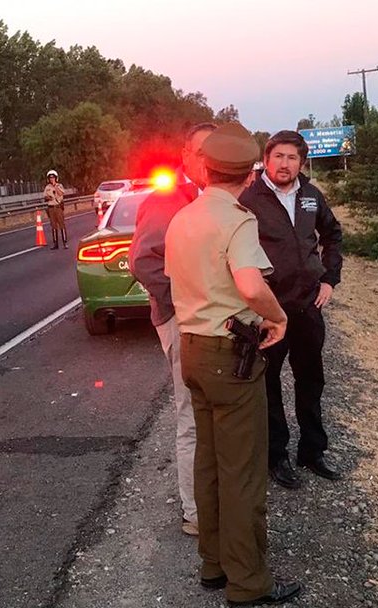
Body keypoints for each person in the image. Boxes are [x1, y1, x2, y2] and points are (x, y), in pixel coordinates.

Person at [165, 121, 302, 607]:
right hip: (232, 356)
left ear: (206, 169)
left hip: (194, 352)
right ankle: (248, 581)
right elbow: (248, 284)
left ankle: (214, 563)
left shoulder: (182, 218)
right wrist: (278, 315)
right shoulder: (237, 221)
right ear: (249, 175)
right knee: (243, 470)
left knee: (209, 464)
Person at [239, 130, 343, 489]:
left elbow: (333, 235)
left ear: (301, 162)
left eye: (293, 158)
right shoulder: (248, 198)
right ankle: (277, 457)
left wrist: (329, 279)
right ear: (267, 159)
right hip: (268, 311)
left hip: (307, 307)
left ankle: (312, 452)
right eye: (279, 156)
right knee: (268, 385)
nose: (285, 164)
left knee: (311, 380)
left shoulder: (311, 196)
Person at [129, 122, 217, 537]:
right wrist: (179, 307)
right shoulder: (168, 200)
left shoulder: (216, 198)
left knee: (213, 413)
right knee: (191, 416)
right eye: (200, 151)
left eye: (214, 151)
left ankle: (214, 498)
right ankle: (196, 513)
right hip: (184, 321)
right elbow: (143, 263)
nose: (207, 160)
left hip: (212, 321)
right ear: (185, 155)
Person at [44, 169, 68, 249]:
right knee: (53, 226)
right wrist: (48, 197)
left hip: (58, 207)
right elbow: (45, 197)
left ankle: (65, 242)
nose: (52, 179)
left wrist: (55, 186)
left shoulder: (59, 185)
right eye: (50, 178)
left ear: (56, 178)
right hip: (51, 208)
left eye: (53, 178)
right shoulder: (47, 187)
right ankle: (55, 244)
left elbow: (61, 193)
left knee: (62, 225)